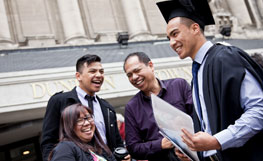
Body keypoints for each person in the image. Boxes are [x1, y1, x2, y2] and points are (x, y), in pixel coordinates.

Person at [156, 0, 263, 161]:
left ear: (195, 28)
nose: (171, 43)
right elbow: (209, 126)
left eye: (175, 34)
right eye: (168, 38)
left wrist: (216, 141)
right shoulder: (198, 73)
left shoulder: (226, 57)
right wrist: (195, 149)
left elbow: (259, 110)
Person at [41, 54, 130, 161]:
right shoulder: (60, 101)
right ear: (78, 76)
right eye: (92, 71)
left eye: (101, 72)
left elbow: (116, 142)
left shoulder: (107, 108)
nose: (98, 75)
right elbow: (48, 141)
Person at [123, 52, 193, 161]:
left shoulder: (180, 86)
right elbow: (133, 148)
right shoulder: (131, 107)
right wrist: (160, 144)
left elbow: (199, 119)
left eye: (137, 70)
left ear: (150, 66)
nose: (134, 77)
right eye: (129, 75)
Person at [49, 103, 116, 161]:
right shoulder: (64, 148)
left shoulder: (100, 148)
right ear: (69, 126)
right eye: (79, 120)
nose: (87, 123)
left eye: (88, 117)